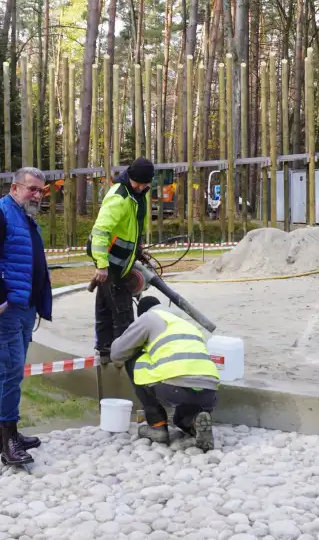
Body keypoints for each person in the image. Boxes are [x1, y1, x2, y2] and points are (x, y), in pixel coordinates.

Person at [0, 167, 52, 466]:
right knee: (12, 370)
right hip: (4, 308)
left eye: (40, 190)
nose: (37, 194)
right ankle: (9, 442)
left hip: (23, 306)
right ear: (15, 187)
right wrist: (0, 301)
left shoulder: (26, 218)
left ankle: (1, 435)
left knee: (8, 369)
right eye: (31, 188)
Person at [109, 296, 219, 451]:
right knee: (180, 418)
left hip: (174, 388)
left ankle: (157, 426)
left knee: (133, 358)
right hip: (209, 392)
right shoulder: (187, 324)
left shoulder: (148, 318)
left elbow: (117, 353)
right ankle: (194, 422)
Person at [88, 157, 154, 363]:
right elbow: (100, 231)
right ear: (130, 177)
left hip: (120, 262)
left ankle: (106, 351)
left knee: (105, 306)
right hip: (110, 262)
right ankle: (126, 358)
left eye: (144, 184)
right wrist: (101, 265)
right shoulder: (119, 196)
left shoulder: (138, 195)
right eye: (137, 183)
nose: (141, 187)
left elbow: (133, 227)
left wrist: (138, 250)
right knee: (122, 310)